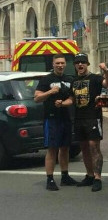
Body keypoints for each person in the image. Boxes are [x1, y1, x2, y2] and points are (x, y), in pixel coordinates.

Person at [34, 54, 79, 191]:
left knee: (65, 148)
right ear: (53, 64)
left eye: (62, 63)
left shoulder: (69, 79)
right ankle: (50, 178)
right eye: (57, 63)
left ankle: (65, 176)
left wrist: (63, 103)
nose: (60, 65)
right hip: (51, 118)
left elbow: (72, 99)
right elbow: (37, 98)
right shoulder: (46, 79)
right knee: (52, 149)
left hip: (65, 118)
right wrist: (50, 92)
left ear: (65, 64)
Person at [71, 53, 108, 192]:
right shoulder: (73, 80)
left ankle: (97, 177)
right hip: (79, 118)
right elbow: (71, 99)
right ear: (75, 65)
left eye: (83, 62)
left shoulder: (95, 78)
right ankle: (89, 175)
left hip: (93, 117)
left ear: (87, 64)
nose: (80, 65)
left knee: (93, 146)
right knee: (84, 148)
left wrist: (106, 71)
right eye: (78, 63)